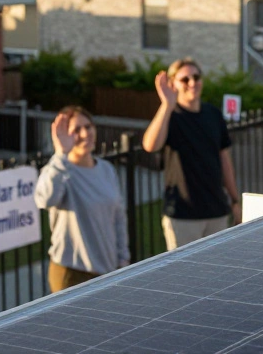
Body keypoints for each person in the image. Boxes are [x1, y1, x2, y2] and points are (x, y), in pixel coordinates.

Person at [141, 57, 242, 250]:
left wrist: (235, 200)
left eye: (196, 77)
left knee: (219, 274)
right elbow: (150, 145)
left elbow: (225, 160)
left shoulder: (213, 114)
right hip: (183, 216)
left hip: (217, 212)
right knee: (186, 277)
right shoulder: (170, 116)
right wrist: (166, 105)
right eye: (185, 79)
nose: (192, 83)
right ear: (173, 84)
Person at [35, 105, 130, 292]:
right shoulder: (59, 171)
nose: (85, 134)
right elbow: (45, 200)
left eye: (88, 126)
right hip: (72, 273)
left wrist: (123, 257)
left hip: (108, 269)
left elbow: (118, 217)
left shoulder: (106, 170)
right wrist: (60, 155)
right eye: (76, 130)